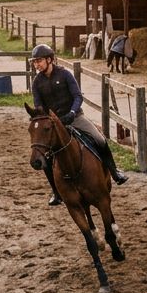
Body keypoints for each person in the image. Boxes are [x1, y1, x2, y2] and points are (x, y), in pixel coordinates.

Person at [29, 44, 128, 207]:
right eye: (34, 62)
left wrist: (73, 113)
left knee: (99, 138)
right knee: (45, 155)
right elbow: (39, 106)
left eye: (39, 61)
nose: (36, 65)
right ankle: (56, 192)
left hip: (75, 117)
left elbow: (77, 96)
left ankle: (114, 172)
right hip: (54, 123)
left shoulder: (65, 75)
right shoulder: (37, 82)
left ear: (49, 59)